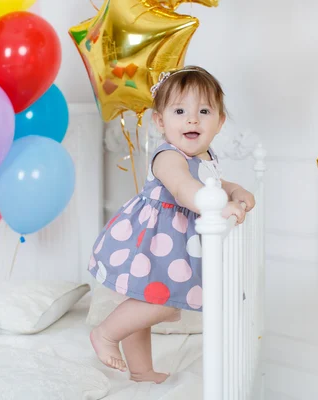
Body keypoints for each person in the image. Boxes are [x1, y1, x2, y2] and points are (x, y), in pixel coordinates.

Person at [88, 66, 256, 383]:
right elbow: (184, 188)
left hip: (172, 242)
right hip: (152, 239)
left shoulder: (206, 154)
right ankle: (106, 333)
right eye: (180, 111)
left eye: (203, 111)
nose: (192, 119)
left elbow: (211, 181)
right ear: (160, 121)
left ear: (219, 122)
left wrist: (233, 190)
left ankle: (141, 372)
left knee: (143, 299)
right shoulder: (168, 156)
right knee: (161, 303)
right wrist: (218, 207)